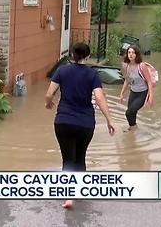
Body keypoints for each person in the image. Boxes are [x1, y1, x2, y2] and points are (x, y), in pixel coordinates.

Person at [45, 42, 115, 209]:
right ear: (88, 56)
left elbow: (49, 93)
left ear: (71, 55)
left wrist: (49, 103)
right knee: (80, 157)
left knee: (67, 159)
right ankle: (80, 190)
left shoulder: (62, 70)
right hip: (85, 123)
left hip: (63, 122)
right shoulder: (92, 75)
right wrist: (109, 120)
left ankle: (68, 196)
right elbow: (99, 98)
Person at [119, 45, 154, 132]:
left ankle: (133, 128)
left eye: (133, 53)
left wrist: (150, 97)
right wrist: (121, 93)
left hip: (142, 93)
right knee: (132, 112)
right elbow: (127, 81)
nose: (131, 54)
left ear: (137, 54)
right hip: (133, 92)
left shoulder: (142, 66)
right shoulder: (126, 66)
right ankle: (133, 130)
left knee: (128, 113)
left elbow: (149, 82)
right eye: (129, 52)